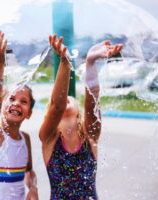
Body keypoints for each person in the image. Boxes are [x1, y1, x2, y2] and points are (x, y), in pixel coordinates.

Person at [39, 35, 123, 199]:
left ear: (79, 110)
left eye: (71, 99)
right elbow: (57, 106)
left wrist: (90, 62)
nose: (66, 100)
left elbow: (92, 102)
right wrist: (65, 62)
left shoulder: (90, 136)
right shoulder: (48, 138)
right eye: (64, 99)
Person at [0, 31, 38, 200]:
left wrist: (33, 189)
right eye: (11, 99)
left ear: (29, 114)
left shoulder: (24, 139)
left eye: (24, 101)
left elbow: (29, 172)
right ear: (3, 105)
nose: (16, 103)